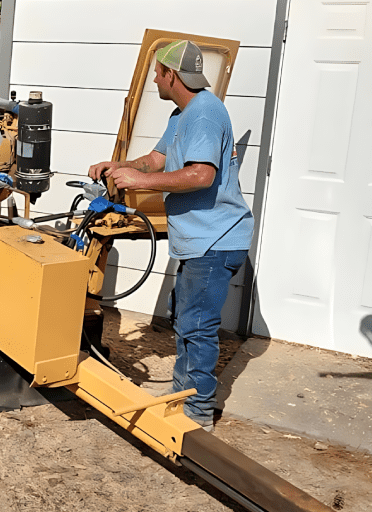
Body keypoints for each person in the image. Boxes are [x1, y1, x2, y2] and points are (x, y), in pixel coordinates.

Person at [88, 40, 254, 432]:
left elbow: (202, 175)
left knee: (196, 327)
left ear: (171, 75)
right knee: (188, 320)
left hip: (216, 240)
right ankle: (184, 399)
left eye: (158, 73)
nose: (156, 80)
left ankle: (195, 417)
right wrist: (121, 166)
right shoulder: (182, 114)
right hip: (201, 239)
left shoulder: (205, 114)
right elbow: (157, 160)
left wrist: (141, 180)